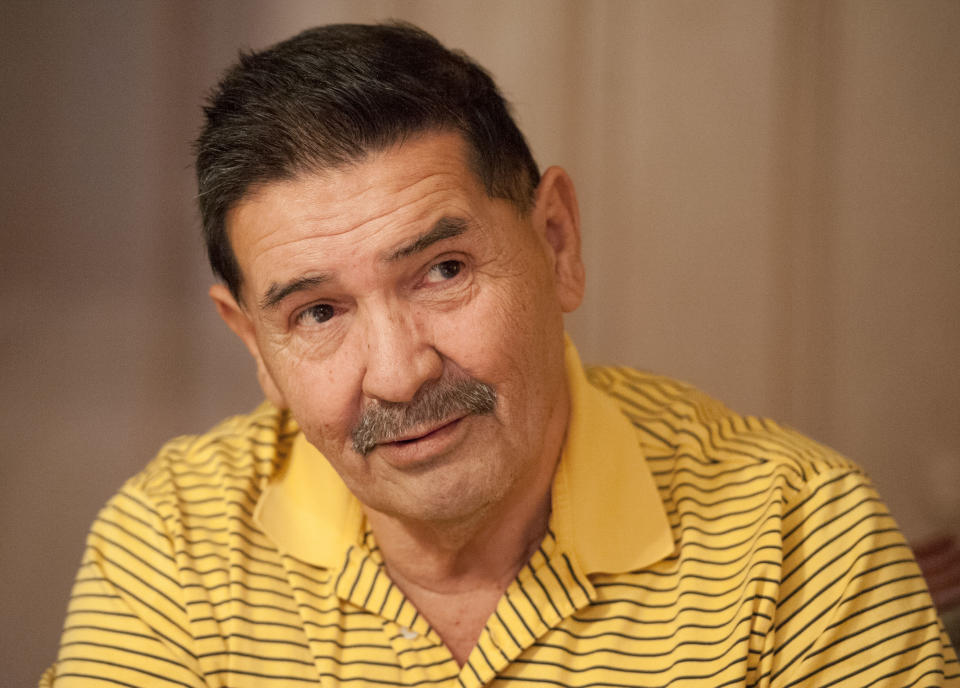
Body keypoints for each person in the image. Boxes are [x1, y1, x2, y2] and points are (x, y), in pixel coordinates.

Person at [41, 22, 958, 687]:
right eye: (318, 313)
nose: (400, 373)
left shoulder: (799, 540)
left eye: (442, 270)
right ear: (256, 343)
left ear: (556, 241)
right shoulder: (174, 543)